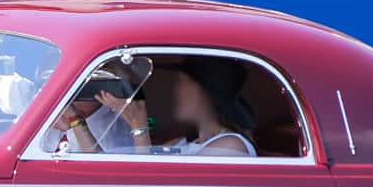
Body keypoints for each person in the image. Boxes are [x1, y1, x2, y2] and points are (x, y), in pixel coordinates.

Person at [96, 56, 256, 157]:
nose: (176, 92)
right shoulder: (180, 143)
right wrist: (74, 121)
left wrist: (139, 126)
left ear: (204, 94)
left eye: (182, 85)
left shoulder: (231, 147)